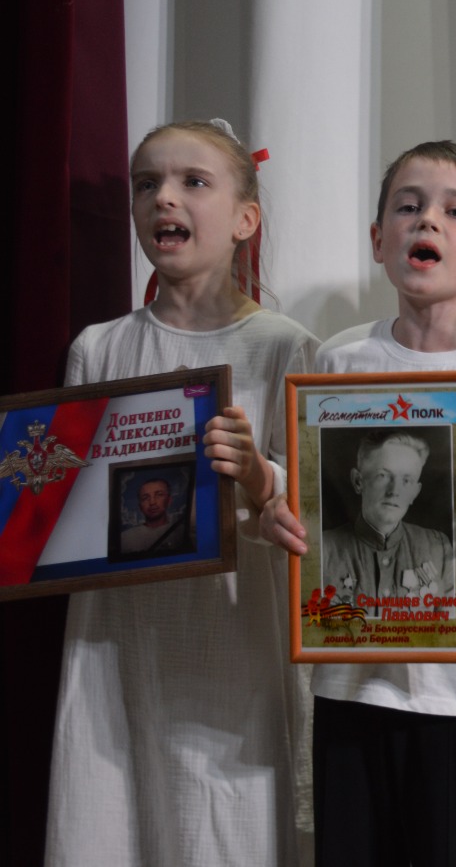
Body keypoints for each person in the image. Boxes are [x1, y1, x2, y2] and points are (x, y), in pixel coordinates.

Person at [259, 140, 456, 865]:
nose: (427, 220)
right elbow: (306, 501)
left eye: (454, 210)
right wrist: (280, 514)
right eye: (408, 206)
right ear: (379, 240)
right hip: (348, 682)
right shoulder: (338, 359)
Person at [46, 120, 319, 866]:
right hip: (116, 637)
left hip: (229, 640)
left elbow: (311, 508)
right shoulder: (98, 347)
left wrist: (259, 476)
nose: (164, 198)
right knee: (112, 808)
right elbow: (66, 506)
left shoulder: (284, 345)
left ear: (244, 219)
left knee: (218, 824)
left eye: (193, 182)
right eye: (147, 184)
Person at [320, 430, 452, 602]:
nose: (394, 491)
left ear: (414, 492)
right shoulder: (323, 550)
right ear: (358, 481)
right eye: (382, 475)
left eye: (406, 480)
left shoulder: (438, 548)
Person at [118, 476, 192, 555]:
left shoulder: (184, 532)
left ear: (169, 500)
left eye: (159, 495)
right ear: (140, 506)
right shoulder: (125, 538)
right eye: (145, 498)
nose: (152, 502)